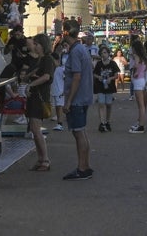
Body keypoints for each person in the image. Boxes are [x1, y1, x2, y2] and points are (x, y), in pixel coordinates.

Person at [62, 19, 94, 180]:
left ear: (66, 32)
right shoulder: (81, 49)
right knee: (81, 131)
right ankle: (85, 165)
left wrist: (68, 100)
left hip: (77, 99)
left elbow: (76, 76)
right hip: (84, 97)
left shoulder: (75, 52)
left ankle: (82, 167)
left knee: (78, 132)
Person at [24, 33, 55, 172]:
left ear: (42, 45)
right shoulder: (40, 60)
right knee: (34, 129)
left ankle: (45, 159)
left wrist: (31, 85)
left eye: (36, 44)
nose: (34, 46)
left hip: (40, 97)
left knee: (36, 130)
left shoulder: (47, 59)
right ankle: (41, 158)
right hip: (34, 97)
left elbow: (46, 76)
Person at [93, 46, 120, 132]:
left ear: (108, 54)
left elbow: (117, 75)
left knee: (108, 104)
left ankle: (107, 121)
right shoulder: (99, 64)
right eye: (101, 53)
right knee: (101, 103)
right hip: (100, 86)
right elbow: (94, 74)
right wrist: (99, 77)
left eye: (105, 53)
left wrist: (111, 78)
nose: (103, 55)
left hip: (109, 87)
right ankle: (102, 122)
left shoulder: (112, 63)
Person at [128, 40, 147, 134]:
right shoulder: (143, 57)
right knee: (141, 105)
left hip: (138, 81)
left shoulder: (136, 56)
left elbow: (136, 65)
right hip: (142, 80)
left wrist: (136, 72)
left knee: (140, 105)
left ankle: (141, 125)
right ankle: (140, 123)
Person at [50, 51, 65, 131]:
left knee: (59, 107)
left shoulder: (61, 69)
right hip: (55, 91)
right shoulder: (51, 70)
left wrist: (65, 90)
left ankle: (60, 123)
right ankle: (59, 122)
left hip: (60, 91)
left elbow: (66, 79)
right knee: (57, 106)